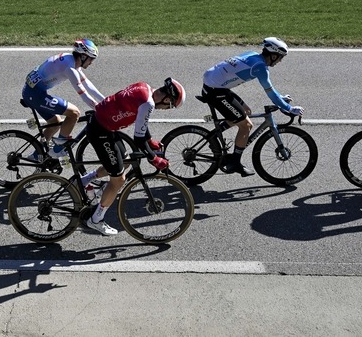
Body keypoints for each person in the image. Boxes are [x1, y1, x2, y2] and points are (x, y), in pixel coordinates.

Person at [78, 78, 186, 236]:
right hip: (101, 131)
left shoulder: (144, 87)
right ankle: (95, 220)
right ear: (167, 99)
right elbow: (138, 139)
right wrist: (154, 159)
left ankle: (83, 181)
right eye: (169, 106)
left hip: (105, 125)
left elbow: (141, 122)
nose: (165, 109)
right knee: (119, 180)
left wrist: (150, 141)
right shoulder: (148, 104)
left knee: (126, 161)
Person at [201, 37, 304, 176]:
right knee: (246, 126)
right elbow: (271, 92)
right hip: (215, 91)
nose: (280, 61)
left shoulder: (253, 55)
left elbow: (272, 91)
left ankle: (214, 136)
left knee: (246, 112)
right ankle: (235, 163)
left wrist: (280, 99)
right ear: (273, 55)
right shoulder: (260, 67)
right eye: (280, 58)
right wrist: (289, 108)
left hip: (214, 85)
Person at [22, 39, 104, 158]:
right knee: (74, 113)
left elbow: (87, 84)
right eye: (91, 59)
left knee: (56, 123)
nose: (91, 62)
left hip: (32, 92)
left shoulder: (70, 60)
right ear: (83, 56)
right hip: (35, 94)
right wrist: (100, 109)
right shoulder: (69, 68)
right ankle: (57, 150)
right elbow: (83, 94)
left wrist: (106, 100)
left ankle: (36, 155)